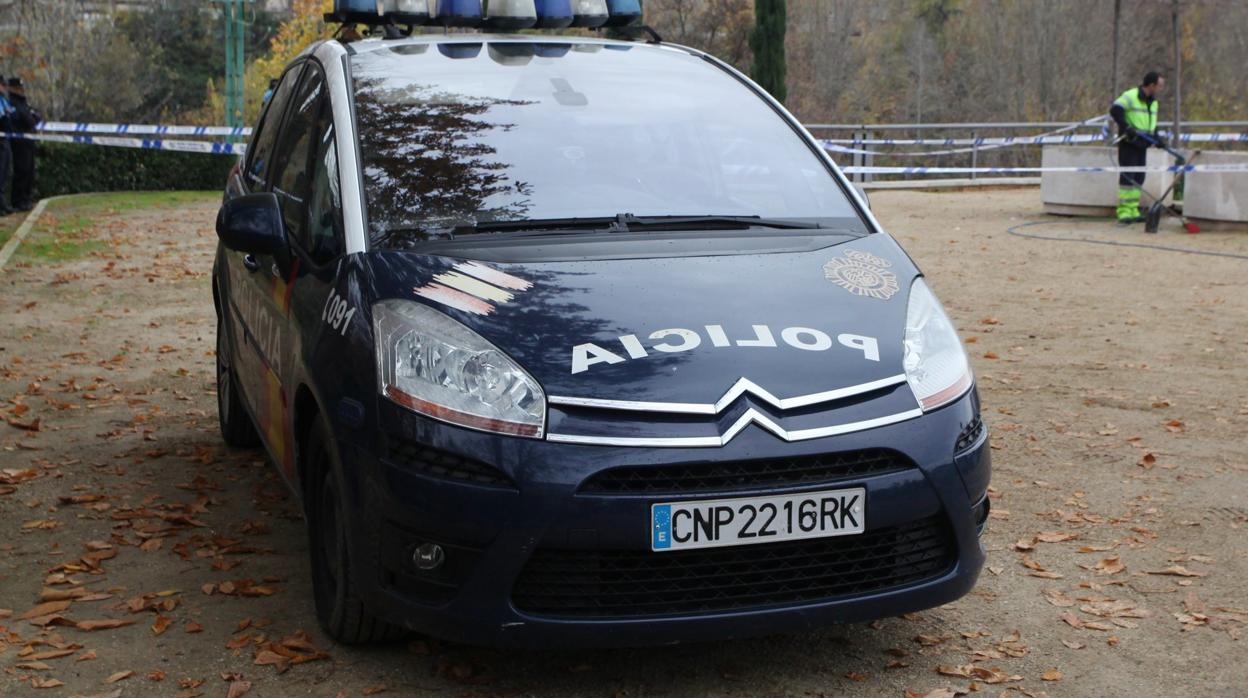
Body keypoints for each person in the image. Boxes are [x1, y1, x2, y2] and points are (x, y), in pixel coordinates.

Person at [1109, 72, 1166, 225]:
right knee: (1128, 177)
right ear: (1152, 85)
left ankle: (1133, 210)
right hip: (1129, 143)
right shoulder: (1131, 95)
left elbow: (1151, 124)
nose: (1161, 89)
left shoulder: (1153, 103)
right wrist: (1126, 127)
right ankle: (1124, 212)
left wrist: (1157, 139)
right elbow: (1115, 110)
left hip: (1143, 144)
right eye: (1160, 85)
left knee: (1139, 177)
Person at [7, 77, 40, 212]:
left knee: (29, 172)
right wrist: (32, 116)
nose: (22, 90)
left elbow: (35, 117)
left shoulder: (23, 103)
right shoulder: (13, 103)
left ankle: (26, 198)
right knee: (22, 171)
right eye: (19, 88)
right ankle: (18, 201)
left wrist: (32, 116)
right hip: (19, 142)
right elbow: (28, 120)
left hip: (28, 141)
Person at [0, 75, 15, 216]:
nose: (4, 87)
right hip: (1, 140)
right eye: (2, 85)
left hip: (6, 139)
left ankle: (3, 204)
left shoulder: (3, 100)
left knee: (5, 173)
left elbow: (12, 113)